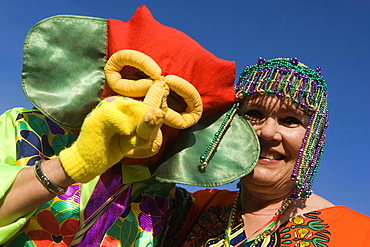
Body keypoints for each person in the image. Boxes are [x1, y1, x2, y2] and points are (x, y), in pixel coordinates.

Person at [1, 7, 369, 247]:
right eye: (254, 115)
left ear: (314, 138)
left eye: (291, 120)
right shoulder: (28, 133)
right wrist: (73, 164)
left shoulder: (357, 233)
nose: (270, 133)